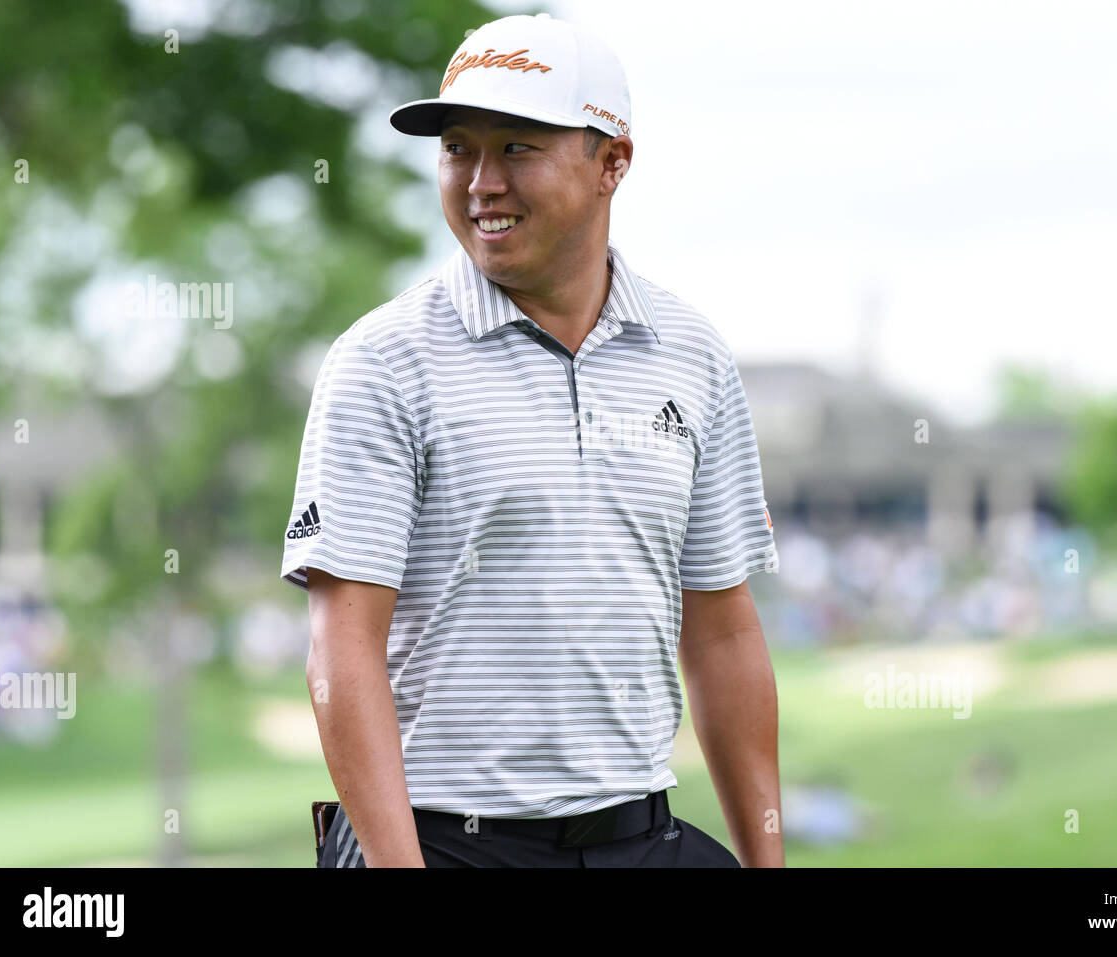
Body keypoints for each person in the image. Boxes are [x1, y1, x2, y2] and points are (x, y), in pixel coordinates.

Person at [281, 12, 783, 867]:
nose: (481, 182)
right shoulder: (383, 360)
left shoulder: (692, 352)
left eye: (518, 148)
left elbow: (722, 630)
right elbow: (342, 643)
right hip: (440, 840)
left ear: (611, 163)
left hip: (639, 832)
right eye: (458, 150)